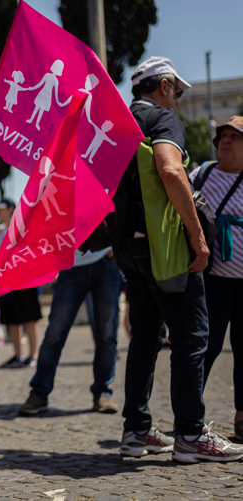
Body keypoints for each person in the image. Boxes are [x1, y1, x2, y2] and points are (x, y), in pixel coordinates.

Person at [115, 56, 242, 462]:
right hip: (164, 244)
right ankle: (190, 434)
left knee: (145, 339)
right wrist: (196, 235)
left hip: (127, 248)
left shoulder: (115, 123)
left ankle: (135, 430)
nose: (178, 100)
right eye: (178, 92)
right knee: (191, 337)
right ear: (164, 85)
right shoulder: (162, 120)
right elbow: (171, 171)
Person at [18, 248, 122, 416]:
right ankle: (39, 394)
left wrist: (117, 243)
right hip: (71, 263)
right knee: (54, 334)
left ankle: (103, 392)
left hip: (105, 261)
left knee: (107, 334)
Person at [190, 116, 243, 439]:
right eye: (222, 135)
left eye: (234, 136)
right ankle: (190, 419)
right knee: (205, 348)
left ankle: (241, 416)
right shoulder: (203, 175)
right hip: (212, 281)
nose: (225, 140)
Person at [0, 198, 42, 368]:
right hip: (6, 280)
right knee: (11, 319)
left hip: (25, 278)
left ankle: (34, 355)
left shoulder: (23, 226)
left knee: (30, 318)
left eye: (1, 209)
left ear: (11, 209)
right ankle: (18, 356)